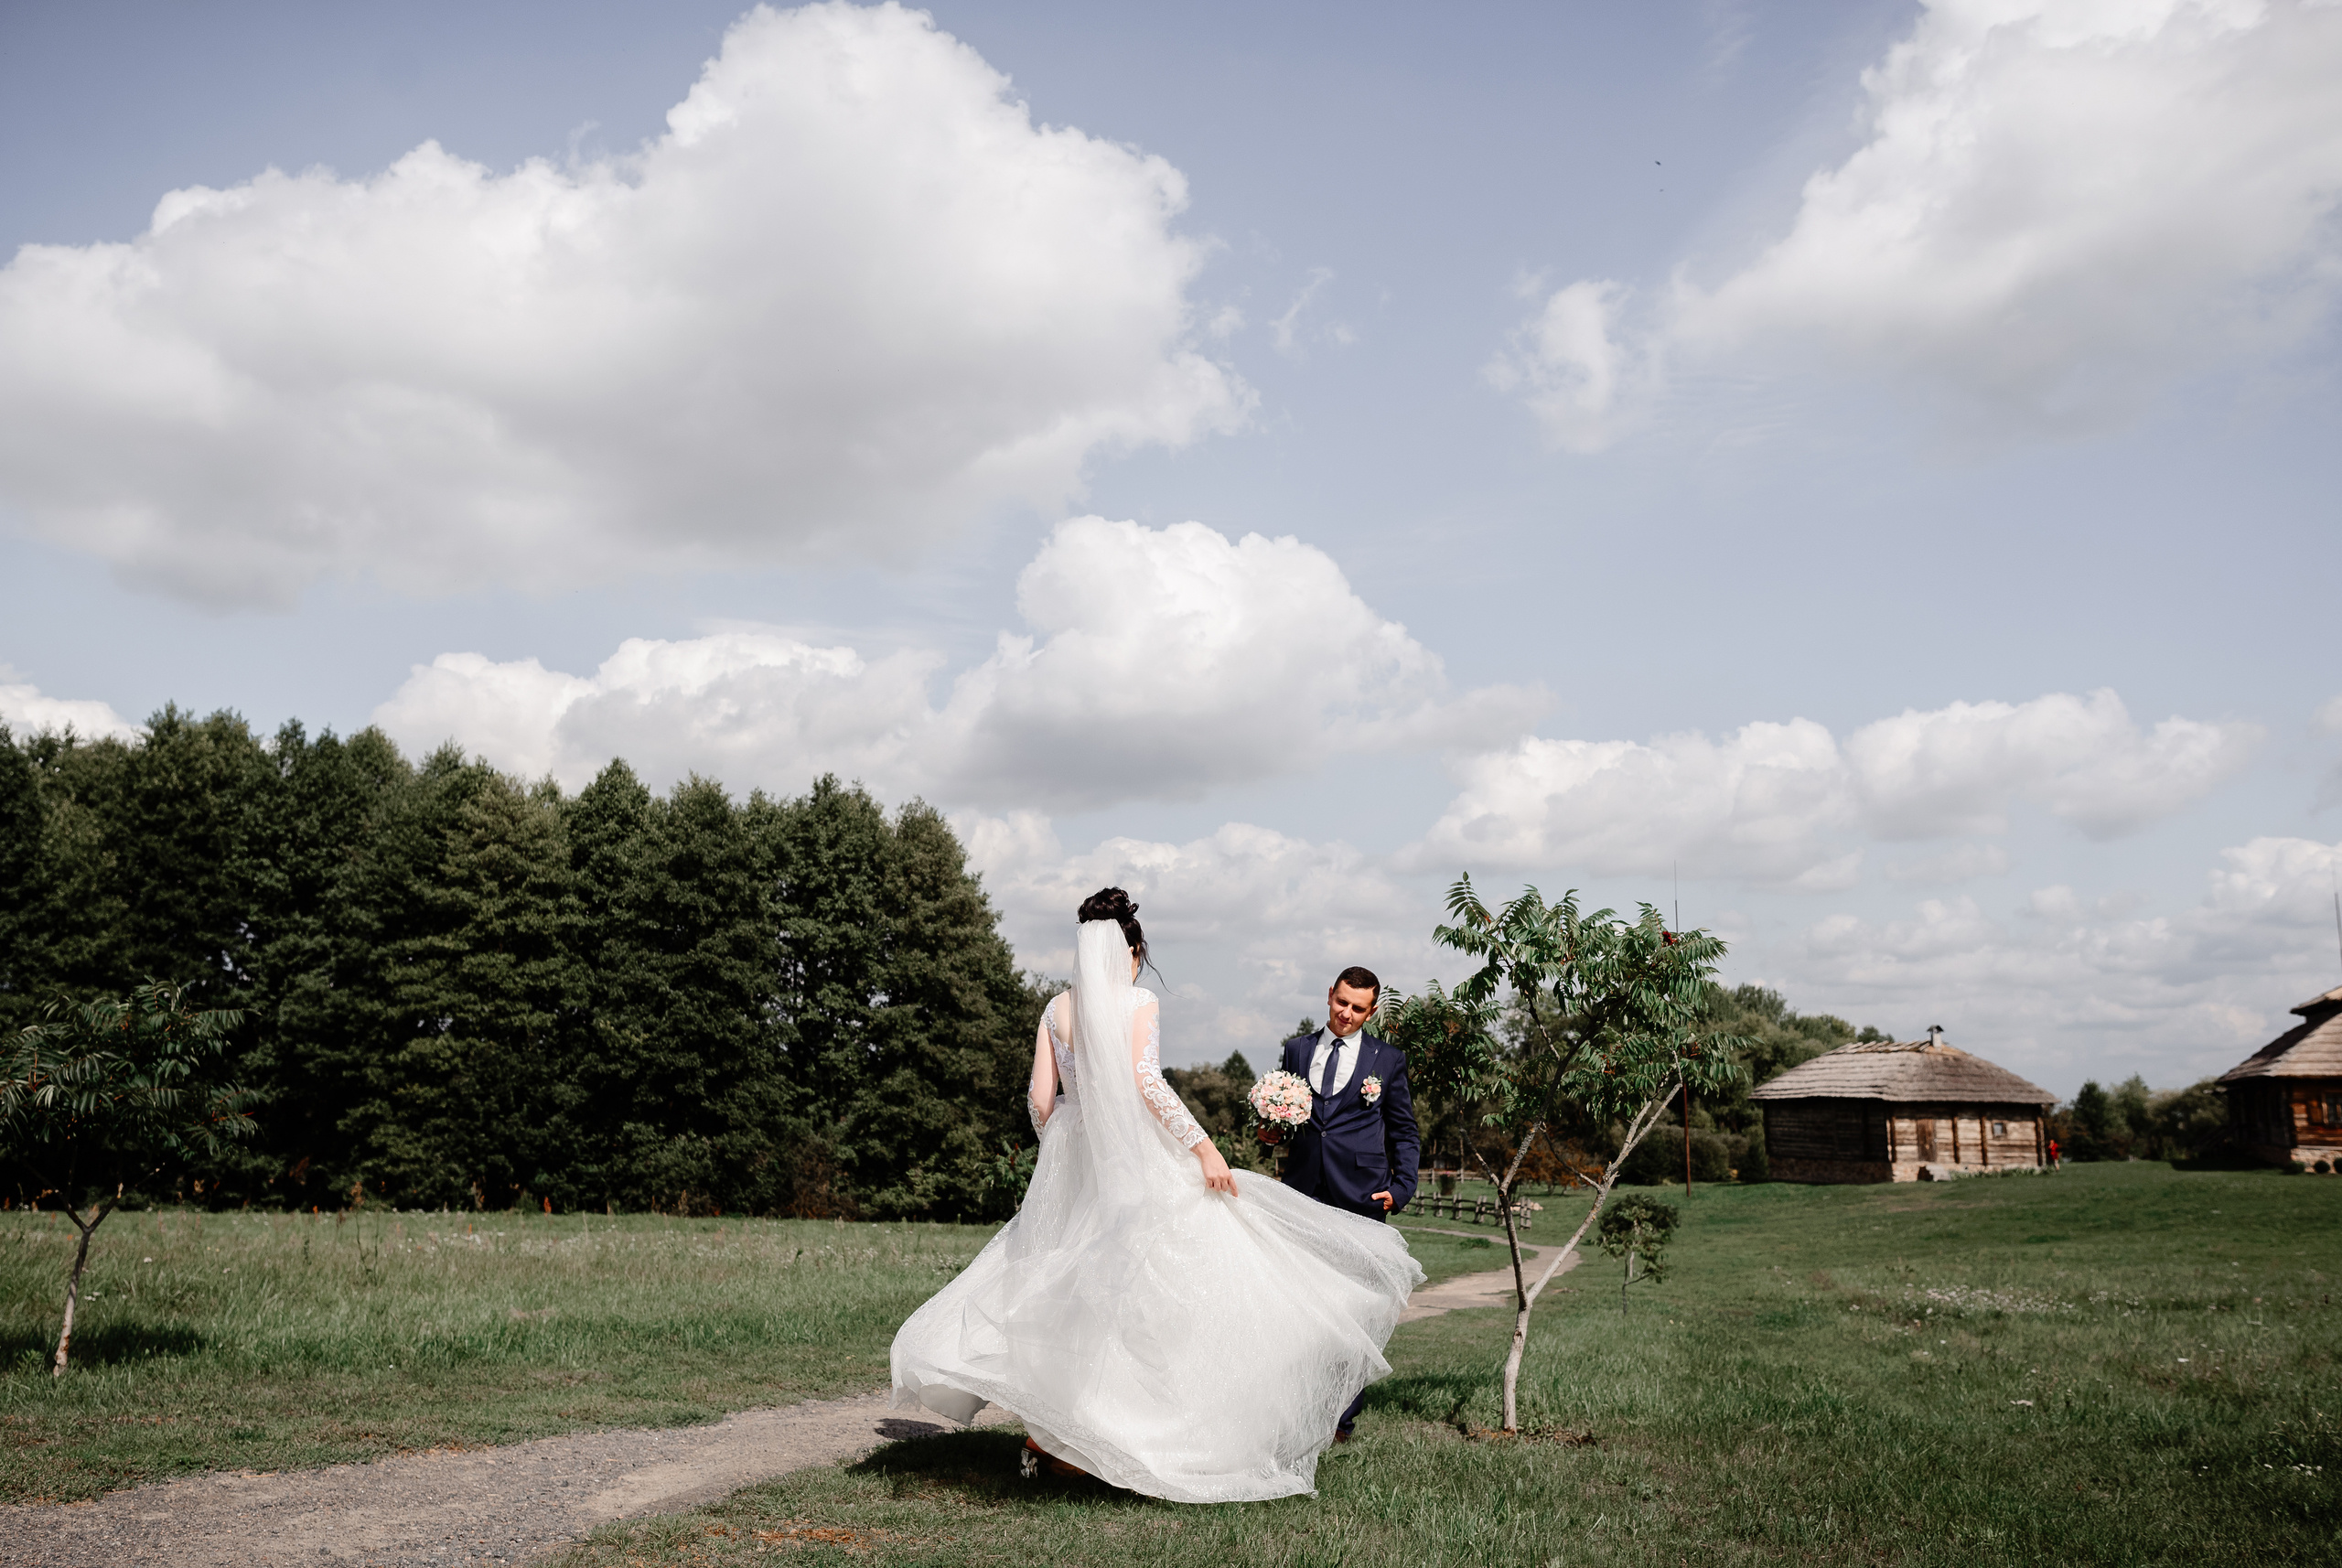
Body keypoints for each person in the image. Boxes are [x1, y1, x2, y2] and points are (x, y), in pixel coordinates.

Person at [889, 888, 1423, 1502]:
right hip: (1138, 1162)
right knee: (1161, 1291)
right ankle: (1128, 1436)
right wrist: (1204, 1148)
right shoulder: (1137, 1000)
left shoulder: (1054, 1009)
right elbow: (1146, 1083)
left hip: (1074, 1164)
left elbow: (1040, 1102)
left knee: (1067, 1291)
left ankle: (1058, 1441)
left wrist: (1069, 1142)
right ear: (1130, 951)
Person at [1275, 968, 1420, 1441]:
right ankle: (1297, 1403)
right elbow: (1288, 1117)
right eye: (1342, 1003)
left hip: (1362, 1197)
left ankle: (1340, 1416)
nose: (1347, 1014)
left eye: (1359, 1008)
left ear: (1372, 1011)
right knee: (1299, 1304)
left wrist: (1400, 1189)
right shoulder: (1297, 1050)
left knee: (1356, 1309)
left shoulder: (1388, 1059)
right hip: (1302, 1193)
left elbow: (1403, 1131)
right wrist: (1270, 1125)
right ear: (1330, 995)